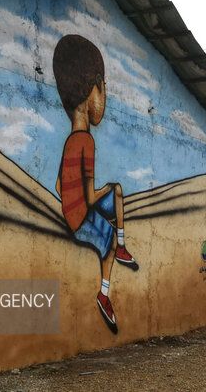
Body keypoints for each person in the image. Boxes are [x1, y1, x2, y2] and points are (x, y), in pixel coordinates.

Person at [53, 34, 139, 334]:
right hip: (80, 219)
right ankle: (104, 294)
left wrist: (72, 202)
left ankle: (123, 246)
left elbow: (58, 185)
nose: (105, 97)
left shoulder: (70, 140)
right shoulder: (86, 141)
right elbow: (90, 197)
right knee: (111, 239)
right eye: (103, 88)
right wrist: (93, 199)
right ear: (92, 91)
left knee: (114, 193)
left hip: (71, 213)